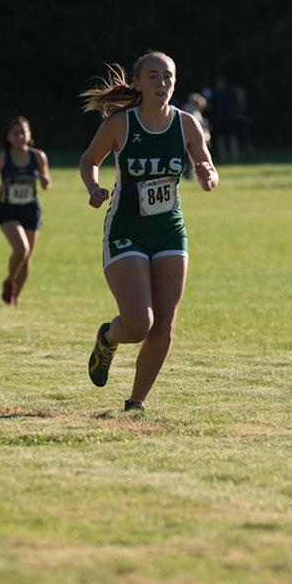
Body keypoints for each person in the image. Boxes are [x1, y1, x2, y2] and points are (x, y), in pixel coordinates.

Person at [78, 50, 218, 412]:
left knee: (166, 323)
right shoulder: (121, 123)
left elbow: (206, 164)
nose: (162, 83)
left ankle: (136, 402)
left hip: (170, 229)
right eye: (153, 76)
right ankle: (109, 337)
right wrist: (94, 188)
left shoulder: (187, 124)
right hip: (126, 230)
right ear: (138, 83)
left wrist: (208, 175)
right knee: (140, 323)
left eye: (168, 76)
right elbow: (90, 160)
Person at [0, 116, 50, 306]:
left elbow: (46, 179)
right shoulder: (1, 158)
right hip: (8, 210)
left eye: (23, 132)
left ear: (29, 134)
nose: (20, 136)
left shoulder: (38, 156)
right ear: (8, 136)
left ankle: (13, 297)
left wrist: (45, 180)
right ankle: (9, 281)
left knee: (27, 257)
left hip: (30, 210)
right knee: (21, 249)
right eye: (15, 133)